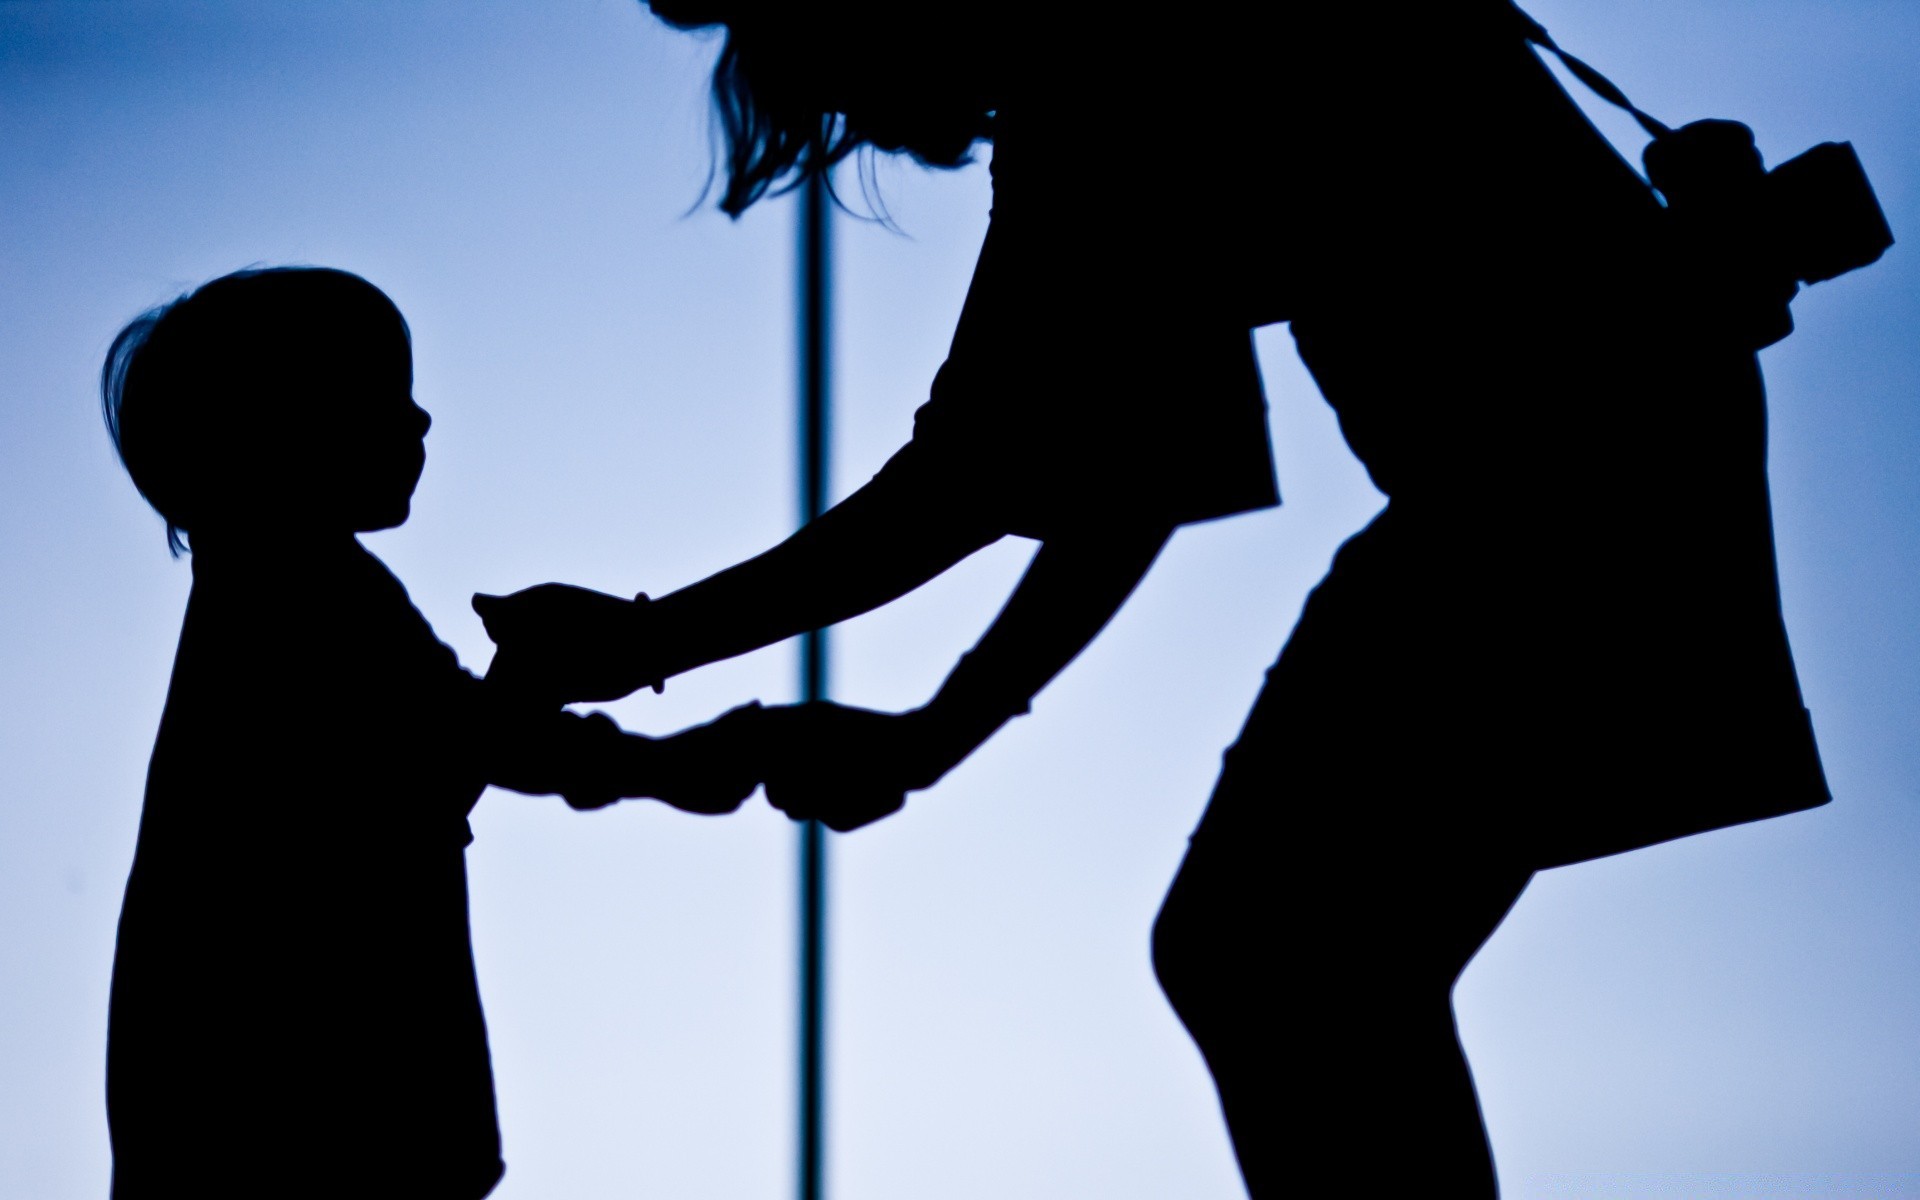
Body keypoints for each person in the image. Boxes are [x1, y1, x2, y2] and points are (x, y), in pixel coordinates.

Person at [478, 3, 1837, 1193]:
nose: (868, 128)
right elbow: (1123, 475)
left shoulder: (1108, 61)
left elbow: (976, 476)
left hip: (1552, 492)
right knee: (1288, 967)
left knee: (1271, 964)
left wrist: (645, 639)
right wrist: (927, 738)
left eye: (837, 75)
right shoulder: (1126, 60)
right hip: (1593, 475)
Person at [100, 266, 762, 1199]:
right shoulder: (308, 591)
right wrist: (664, 760)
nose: (420, 423)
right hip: (316, 1124)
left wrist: (534, 692)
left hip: (250, 1123)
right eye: (382, 395)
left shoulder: (265, 599)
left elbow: (415, 775)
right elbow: (465, 744)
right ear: (282, 425)